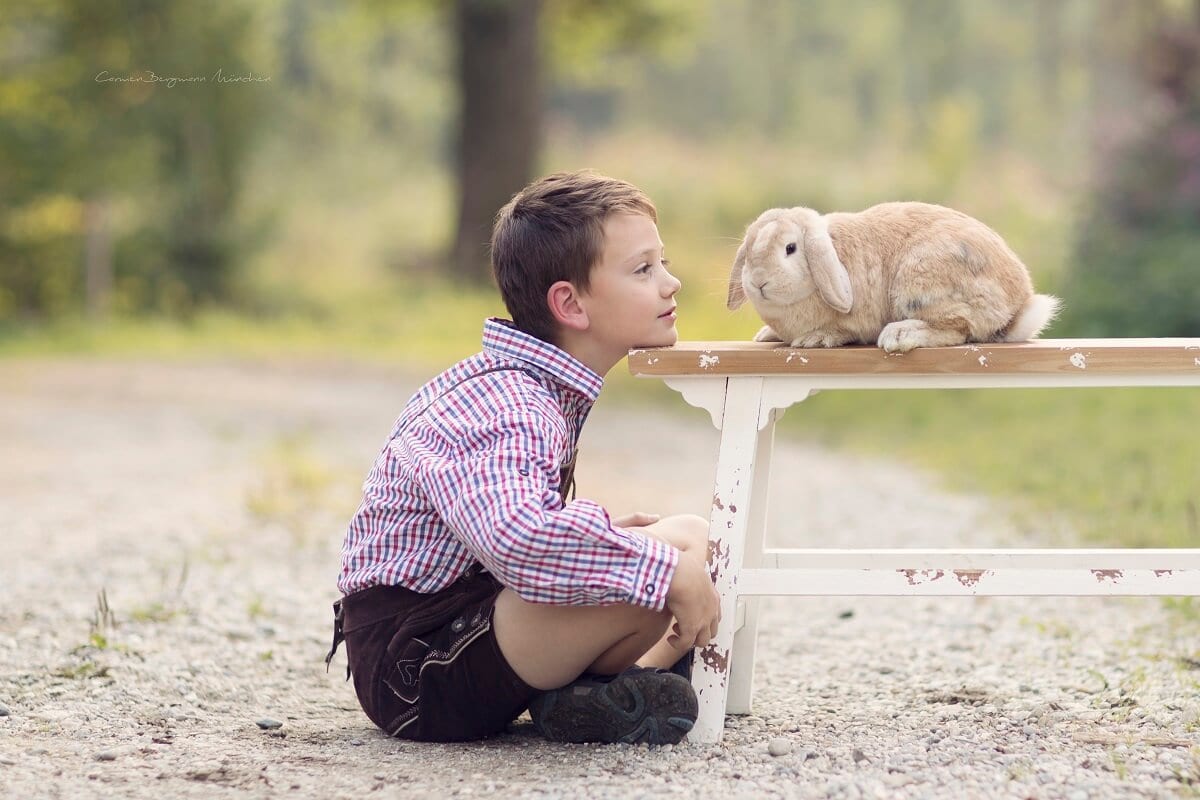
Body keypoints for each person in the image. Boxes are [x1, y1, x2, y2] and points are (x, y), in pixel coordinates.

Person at [327, 170, 721, 745]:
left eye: (662, 263)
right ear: (570, 304)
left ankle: (592, 696)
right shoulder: (508, 401)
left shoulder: (534, 388)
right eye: (644, 270)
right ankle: (621, 681)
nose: (671, 283)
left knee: (688, 533)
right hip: (416, 668)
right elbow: (518, 538)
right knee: (658, 574)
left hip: (473, 616)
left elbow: (506, 527)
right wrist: (656, 569)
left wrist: (615, 541)